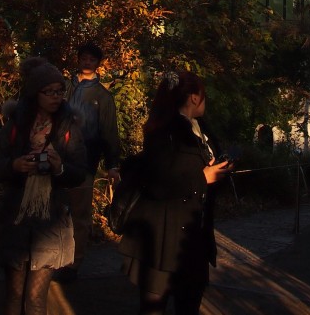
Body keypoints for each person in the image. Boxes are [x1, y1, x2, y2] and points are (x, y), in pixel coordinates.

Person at [118, 69, 234, 315]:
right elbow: (158, 183)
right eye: (203, 94)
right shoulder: (163, 131)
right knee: (153, 307)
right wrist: (202, 177)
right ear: (194, 97)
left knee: (189, 305)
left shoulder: (201, 129)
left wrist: (220, 172)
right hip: (162, 237)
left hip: (194, 237)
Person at [0, 57, 87, 315]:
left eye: (60, 91)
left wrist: (59, 168)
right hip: (16, 216)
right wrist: (14, 166)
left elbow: (80, 171)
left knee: (35, 299)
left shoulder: (68, 127)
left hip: (51, 218)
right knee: (14, 295)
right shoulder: (16, 126)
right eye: (49, 91)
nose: (55, 97)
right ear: (34, 93)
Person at [59, 40, 121, 278]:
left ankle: (74, 263)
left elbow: (109, 131)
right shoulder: (64, 87)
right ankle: (54, 257)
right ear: (79, 59)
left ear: (97, 64)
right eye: (83, 58)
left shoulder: (103, 97)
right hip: (58, 158)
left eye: (91, 59)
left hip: (85, 161)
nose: (87, 62)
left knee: (79, 213)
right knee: (56, 210)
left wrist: (112, 164)